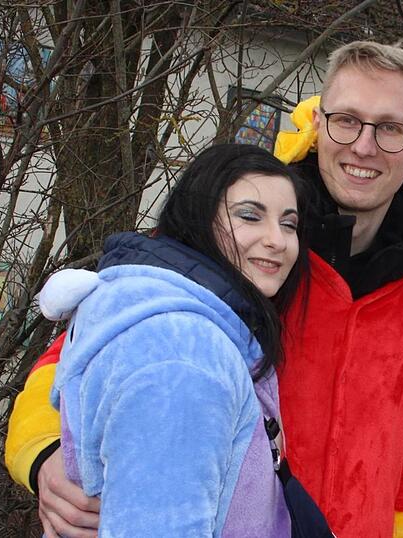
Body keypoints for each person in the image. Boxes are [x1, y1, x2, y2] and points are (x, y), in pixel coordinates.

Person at [5, 41, 403, 537]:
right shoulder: (238, 247)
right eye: (347, 119)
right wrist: (45, 454)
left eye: (390, 128)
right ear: (319, 124)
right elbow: (79, 358)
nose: (364, 145)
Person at [32, 143, 309, 535]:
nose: (277, 240)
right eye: (250, 215)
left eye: (289, 224)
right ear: (198, 219)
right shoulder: (183, 358)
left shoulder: (188, 321)